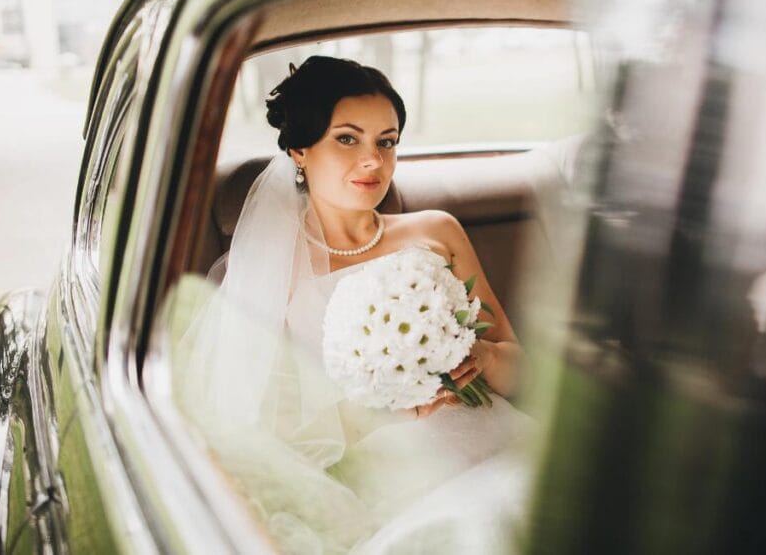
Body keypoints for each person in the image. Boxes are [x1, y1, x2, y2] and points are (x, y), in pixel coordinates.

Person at [175, 56, 532, 554]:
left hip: (498, 437)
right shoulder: (271, 272)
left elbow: (521, 370)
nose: (373, 161)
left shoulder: (437, 231)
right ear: (300, 149)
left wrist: (486, 358)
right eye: (348, 139)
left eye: (386, 142)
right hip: (385, 474)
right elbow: (257, 435)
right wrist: (386, 409)